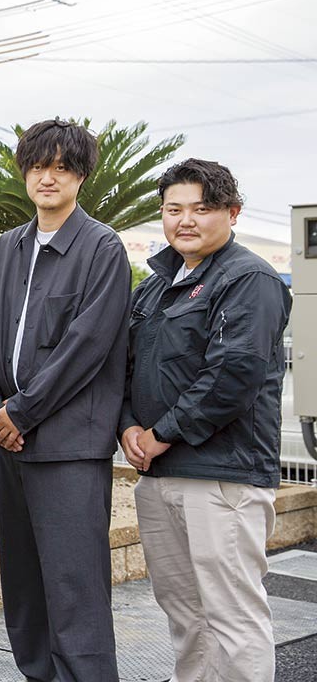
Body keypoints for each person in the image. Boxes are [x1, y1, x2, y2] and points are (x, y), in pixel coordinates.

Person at [0, 118, 130, 682]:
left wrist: (20, 411)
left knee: (75, 587)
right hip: (8, 444)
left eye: (62, 167)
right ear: (25, 171)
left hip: (68, 447)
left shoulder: (101, 247)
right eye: (39, 165)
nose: (48, 177)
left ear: (81, 176)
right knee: (23, 582)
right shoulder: (5, 249)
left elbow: (86, 346)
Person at [120, 159, 290, 682]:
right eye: (174, 209)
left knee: (233, 614)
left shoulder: (249, 278)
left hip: (223, 476)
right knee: (184, 612)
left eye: (202, 207)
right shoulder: (156, 286)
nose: (185, 220)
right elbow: (125, 366)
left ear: (232, 213)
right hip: (160, 474)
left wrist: (161, 434)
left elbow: (232, 375)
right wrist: (126, 425)